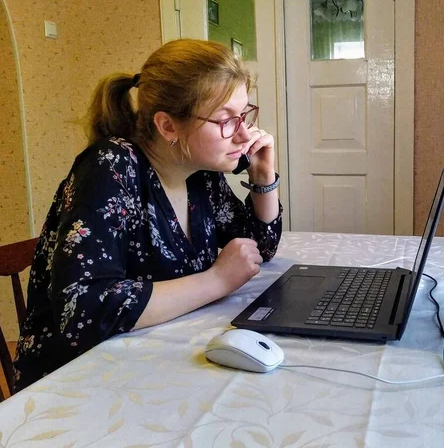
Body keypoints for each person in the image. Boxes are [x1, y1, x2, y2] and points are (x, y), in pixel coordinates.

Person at [13, 39, 283, 391]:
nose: (244, 134)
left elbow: (258, 247)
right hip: (77, 383)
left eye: (245, 114)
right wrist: (217, 280)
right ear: (168, 126)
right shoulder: (110, 168)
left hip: (159, 362)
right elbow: (82, 310)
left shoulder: (201, 172)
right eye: (226, 121)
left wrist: (263, 176)